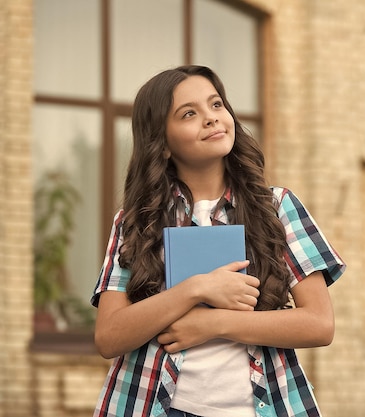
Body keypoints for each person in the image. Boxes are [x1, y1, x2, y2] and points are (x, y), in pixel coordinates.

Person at [91, 65, 346, 417]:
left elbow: (319, 324)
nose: (211, 119)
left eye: (216, 105)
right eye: (189, 113)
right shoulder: (136, 221)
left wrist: (214, 324)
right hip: (153, 405)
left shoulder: (277, 208)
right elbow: (109, 337)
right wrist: (195, 289)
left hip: (262, 406)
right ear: (162, 144)